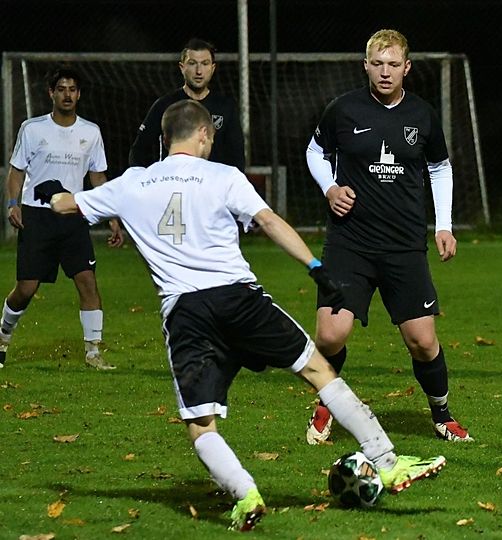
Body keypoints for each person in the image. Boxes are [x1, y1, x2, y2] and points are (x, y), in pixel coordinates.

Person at [41, 99, 446, 531]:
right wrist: (315, 268)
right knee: (318, 371)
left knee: (201, 425)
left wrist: (50, 192)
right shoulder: (223, 176)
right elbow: (269, 222)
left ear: (164, 138)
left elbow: (67, 206)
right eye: (210, 137)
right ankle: (386, 461)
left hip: (186, 313)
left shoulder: (131, 184)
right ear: (202, 134)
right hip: (239, 299)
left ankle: (246, 495)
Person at [303, 29, 471, 443]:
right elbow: (313, 151)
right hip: (350, 242)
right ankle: (327, 404)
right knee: (330, 333)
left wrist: (444, 224)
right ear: (366, 66)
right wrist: (330, 188)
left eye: (393, 64)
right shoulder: (343, 110)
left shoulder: (423, 115)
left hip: (404, 244)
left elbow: (439, 168)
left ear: (407, 68)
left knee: (422, 341)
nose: (384, 72)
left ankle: (442, 415)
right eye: (377, 64)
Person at [1, 66, 124, 371]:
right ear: (51, 94)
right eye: (61, 89)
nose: (67, 94)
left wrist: (111, 215)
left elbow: (98, 176)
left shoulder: (90, 132)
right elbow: (16, 172)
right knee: (26, 289)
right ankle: (3, 335)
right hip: (36, 217)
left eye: (72, 89)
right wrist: (13, 204)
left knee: (87, 282)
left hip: (73, 215)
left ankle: (93, 352)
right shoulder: (32, 129)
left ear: (78, 95)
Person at [128, 38, 244, 171]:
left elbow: (237, 156)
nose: (199, 71)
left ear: (213, 68)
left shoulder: (226, 106)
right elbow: (139, 149)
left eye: (205, 64)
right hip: (173, 186)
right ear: (182, 67)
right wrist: (145, 182)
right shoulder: (165, 105)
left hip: (211, 188)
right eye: (192, 63)